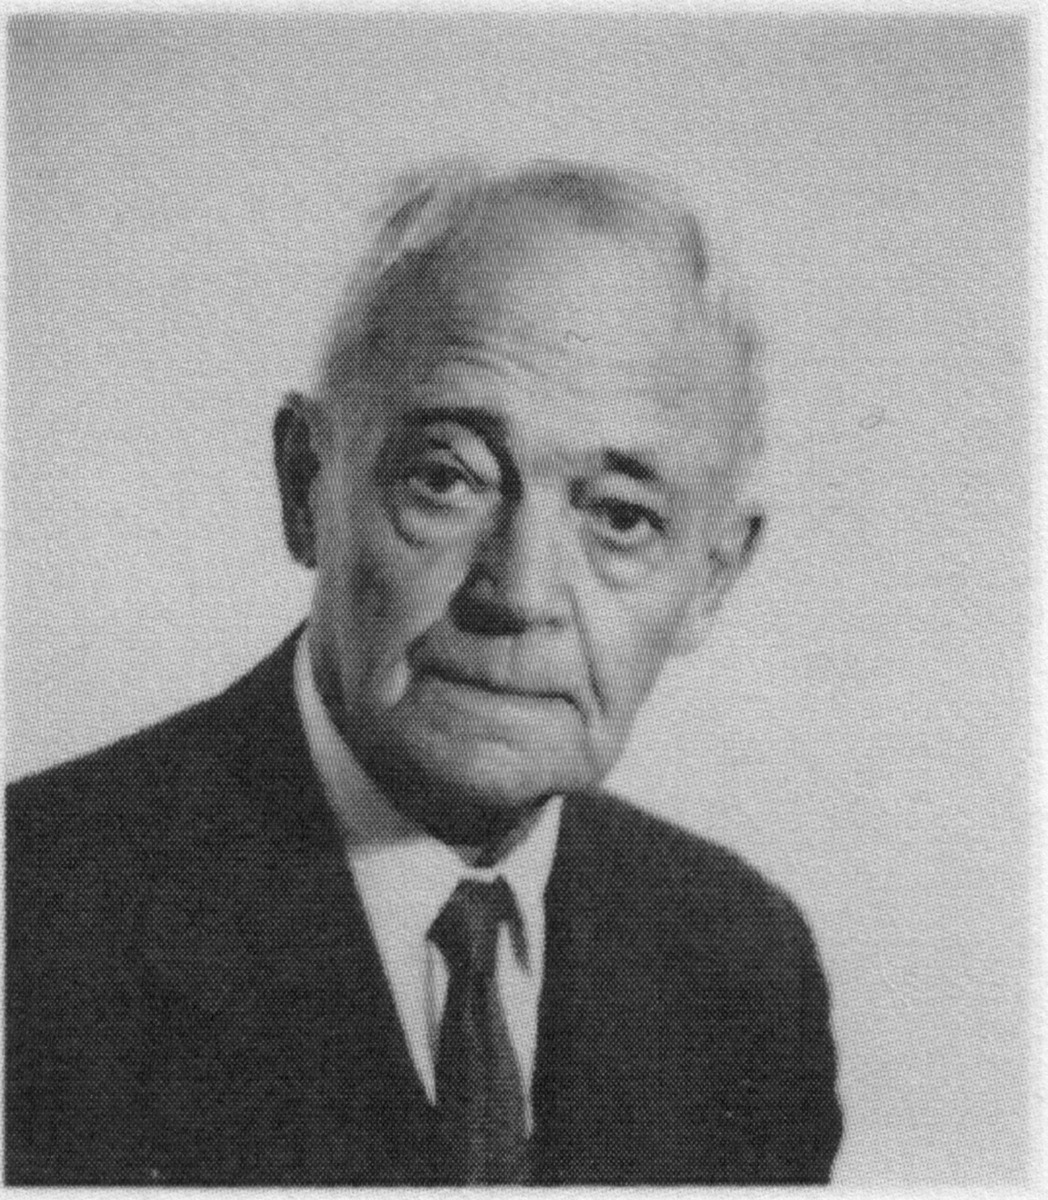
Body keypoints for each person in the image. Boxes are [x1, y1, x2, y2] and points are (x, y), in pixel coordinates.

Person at [5, 158, 843, 1185]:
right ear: (307, 485)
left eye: (621, 517)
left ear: (712, 577)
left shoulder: (744, 971)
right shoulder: (33, 916)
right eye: (446, 477)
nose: (520, 592)